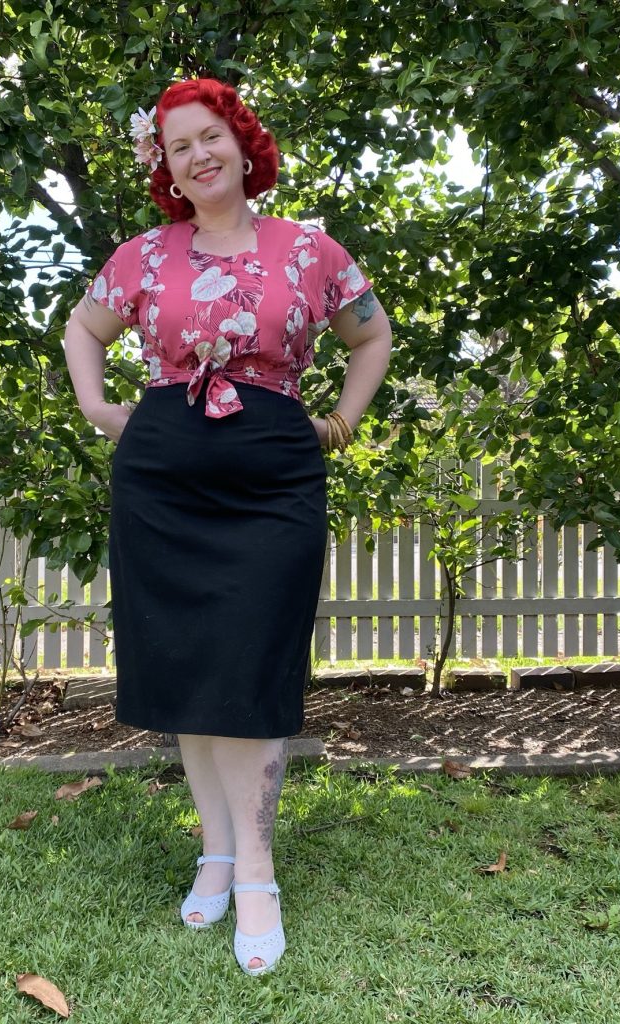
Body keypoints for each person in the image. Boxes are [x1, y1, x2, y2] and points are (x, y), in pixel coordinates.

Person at [63, 78, 392, 976]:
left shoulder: (310, 251)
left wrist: (342, 423)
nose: (198, 155)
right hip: (162, 472)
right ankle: (216, 851)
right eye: (178, 146)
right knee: (189, 664)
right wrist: (98, 409)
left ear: (243, 144)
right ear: (166, 168)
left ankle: (256, 871)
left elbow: (372, 337)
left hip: (273, 472)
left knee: (250, 662)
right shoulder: (143, 255)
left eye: (210, 135)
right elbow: (83, 330)